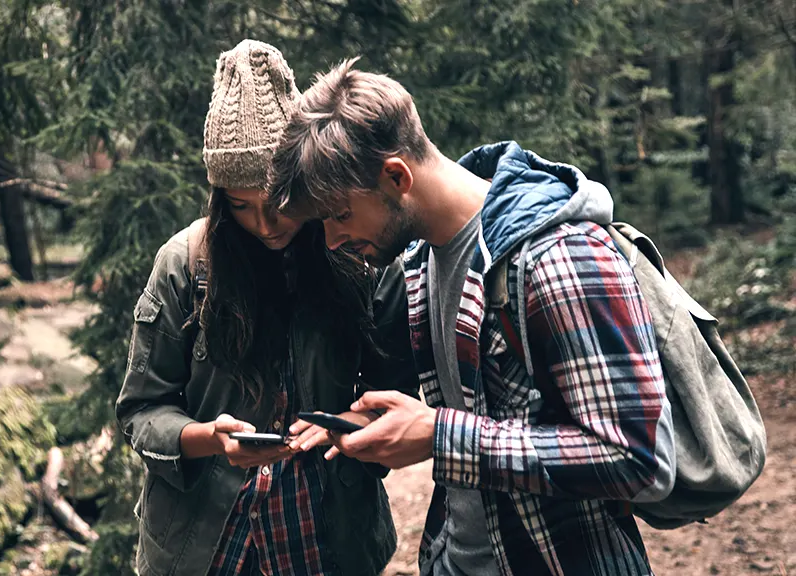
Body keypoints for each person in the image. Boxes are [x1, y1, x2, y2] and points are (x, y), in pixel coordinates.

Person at [268, 59, 677, 576]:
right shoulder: (420, 266)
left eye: (340, 214)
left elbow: (639, 461)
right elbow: (482, 418)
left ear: (396, 176)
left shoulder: (559, 254)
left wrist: (439, 435)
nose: (332, 240)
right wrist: (381, 425)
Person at [116, 41, 417, 576]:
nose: (266, 223)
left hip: (329, 534)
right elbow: (142, 411)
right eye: (240, 205)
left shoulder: (361, 252)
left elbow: (397, 391)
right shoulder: (186, 265)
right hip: (205, 544)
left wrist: (343, 423)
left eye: (278, 200)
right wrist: (210, 439)